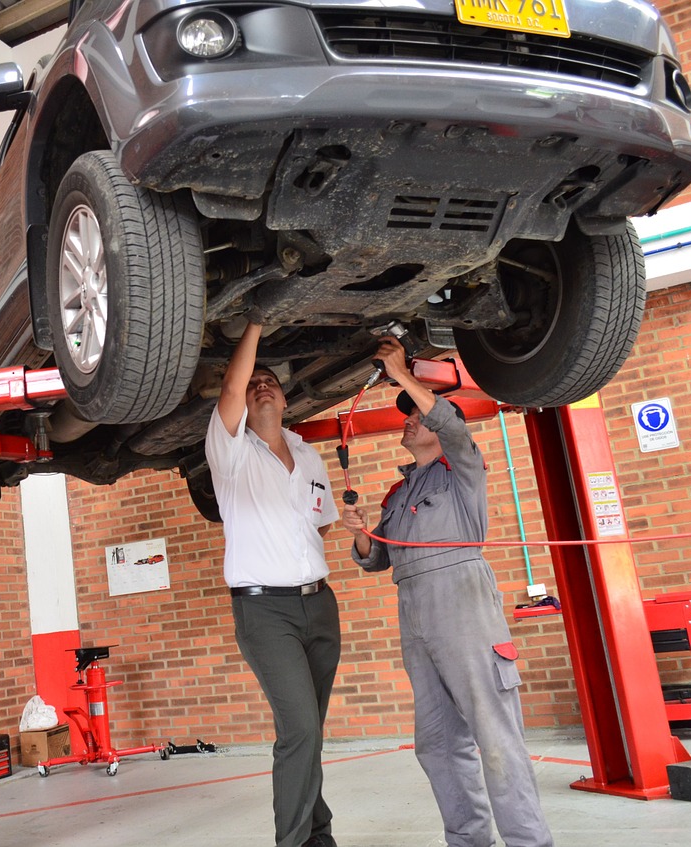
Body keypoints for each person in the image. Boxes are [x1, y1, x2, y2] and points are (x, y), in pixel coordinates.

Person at [342, 335, 554, 847]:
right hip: (415, 615)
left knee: (495, 737)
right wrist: (360, 533)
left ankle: (529, 842)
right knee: (437, 743)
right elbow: (379, 561)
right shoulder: (400, 491)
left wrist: (404, 375)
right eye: (406, 412)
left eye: (414, 412)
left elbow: (453, 428)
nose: (407, 419)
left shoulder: (462, 470)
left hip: (463, 604)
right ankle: (467, 840)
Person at [205, 312, 342, 847]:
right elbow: (235, 385)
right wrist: (258, 322)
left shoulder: (309, 455)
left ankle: (319, 835)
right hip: (265, 613)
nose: (262, 387)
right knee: (300, 731)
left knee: (309, 735)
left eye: (273, 384)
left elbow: (321, 521)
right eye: (255, 383)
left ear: (286, 402)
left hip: (319, 606)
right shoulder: (230, 451)